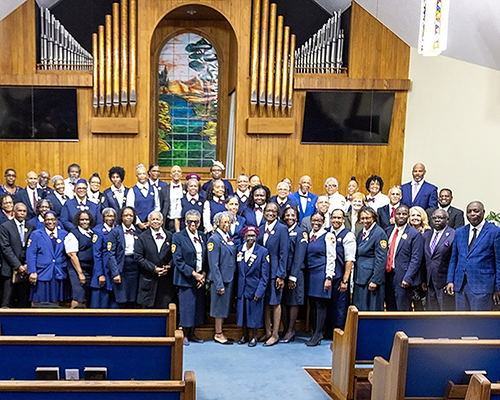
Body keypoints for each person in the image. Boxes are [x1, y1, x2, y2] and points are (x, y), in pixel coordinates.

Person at [446, 201, 500, 311]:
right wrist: (450, 280)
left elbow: (498, 262)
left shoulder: (494, 232)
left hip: (483, 287)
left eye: (476, 211)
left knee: (479, 323)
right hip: (460, 286)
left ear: (483, 212)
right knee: (462, 323)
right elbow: (454, 258)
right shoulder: (460, 231)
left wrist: (498, 287)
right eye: (469, 211)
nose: (472, 214)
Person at [172, 210, 207, 345]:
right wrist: (194, 274)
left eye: (196, 221)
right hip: (185, 278)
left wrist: (203, 275)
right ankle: (185, 334)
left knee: (197, 308)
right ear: (185, 222)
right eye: (190, 221)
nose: (193, 224)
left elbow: (206, 258)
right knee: (186, 308)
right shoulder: (178, 237)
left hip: (199, 278)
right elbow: (178, 260)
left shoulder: (203, 236)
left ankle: (193, 333)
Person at [257, 202, 289, 347]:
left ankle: (275, 334)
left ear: (278, 214)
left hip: (275, 272)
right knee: (265, 303)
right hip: (262, 272)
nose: (270, 213)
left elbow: (284, 253)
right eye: (268, 210)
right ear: (264, 213)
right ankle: (267, 331)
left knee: (275, 303)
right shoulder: (261, 229)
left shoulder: (282, 229)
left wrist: (281, 275)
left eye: (274, 211)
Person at [305, 211, 336, 346]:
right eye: (314, 220)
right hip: (310, 273)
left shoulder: (328, 236)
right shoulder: (310, 235)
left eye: (319, 220)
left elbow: (331, 256)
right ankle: (313, 331)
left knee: (320, 304)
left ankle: (319, 333)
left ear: (323, 222)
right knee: (312, 303)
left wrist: (328, 276)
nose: (316, 223)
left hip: (321, 273)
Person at [384, 205, 424, 311]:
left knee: (402, 308)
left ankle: (403, 328)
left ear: (408, 216)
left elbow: (416, 258)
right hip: (388, 275)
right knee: (389, 307)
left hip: (403, 277)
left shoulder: (414, 234)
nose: (401, 216)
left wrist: (408, 278)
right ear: (394, 215)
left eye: (404, 214)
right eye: (398, 214)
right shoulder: (388, 231)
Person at [26, 211, 69, 305]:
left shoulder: (64, 234)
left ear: (56, 220)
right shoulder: (36, 234)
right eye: (47, 220)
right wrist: (32, 271)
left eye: (52, 219)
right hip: (42, 273)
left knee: (56, 302)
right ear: (44, 222)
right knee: (38, 302)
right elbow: (31, 254)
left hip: (58, 272)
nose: (50, 222)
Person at [236, 226, 269, 347]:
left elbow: (265, 275)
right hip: (241, 288)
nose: (251, 238)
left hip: (254, 288)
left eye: (253, 236)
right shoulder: (239, 249)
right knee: (242, 314)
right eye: (248, 236)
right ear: (244, 237)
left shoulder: (262, 251)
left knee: (254, 315)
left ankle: (254, 337)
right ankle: (244, 335)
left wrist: (259, 292)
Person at [134, 211, 174, 309]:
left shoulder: (170, 236)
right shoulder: (142, 237)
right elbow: (138, 257)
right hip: (148, 279)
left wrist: (169, 266)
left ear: (162, 221)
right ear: (149, 221)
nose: (155, 221)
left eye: (157, 219)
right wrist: (154, 268)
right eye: (153, 219)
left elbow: (175, 255)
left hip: (166, 282)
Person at [207, 211, 237, 345]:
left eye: (229, 222)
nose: (227, 224)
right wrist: (219, 284)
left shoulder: (227, 237)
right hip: (220, 280)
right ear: (217, 223)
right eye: (224, 222)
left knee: (224, 307)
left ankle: (221, 331)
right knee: (218, 308)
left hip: (229, 278)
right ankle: (218, 333)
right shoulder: (214, 239)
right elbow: (213, 264)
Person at [280, 206, 307, 343]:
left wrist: (293, 276)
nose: (290, 217)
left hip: (295, 274)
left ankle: (291, 330)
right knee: (284, 302)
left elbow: (299, 256)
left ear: (297, 217)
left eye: (293, 215)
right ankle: (285, 329)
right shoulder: (283, 230)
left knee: (293, 302)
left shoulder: (301, 232)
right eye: (287, 215)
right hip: (283, 273)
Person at [353, 206, 388, 311]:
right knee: (359, 308)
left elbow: (381, 259)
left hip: (371, 279)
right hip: (360, 277)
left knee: (371, 309)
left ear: (374, 218)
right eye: (362, 218)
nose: (365, 221)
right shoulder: (362, 232)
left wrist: (375, 280)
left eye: (368, 218)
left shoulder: (379, 233)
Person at [0, 203, 35, 308]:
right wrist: (18, 265)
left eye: (24, 211)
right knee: (7, 301)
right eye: (20, 211)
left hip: (25, 270)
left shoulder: (31, 227)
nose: (22, 213)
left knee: (23, 302)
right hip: (10, 270)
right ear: (14, 212)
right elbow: (6, 248)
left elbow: (31, 247)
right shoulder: (5, 227)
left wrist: (26, 264)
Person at [328, 209, 356, 330]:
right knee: (330, 305)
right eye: (334, 218)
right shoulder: (328, 233)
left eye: (339, 218)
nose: (336, 220)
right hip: (329, 276)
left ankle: (339, 331)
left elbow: (349, 259)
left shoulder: (348, 235)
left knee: (340, 306)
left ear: (343, 219)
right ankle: (329, 330)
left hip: (340, 277)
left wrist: (345, 280)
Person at [107, 206, 140, 308]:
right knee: (121, 299)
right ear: (121, 217)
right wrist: (115, 273)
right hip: (121, 266)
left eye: (131, 215)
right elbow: (111, 254)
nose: (128, 218)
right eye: (126, 215)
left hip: (134, 267)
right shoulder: (115, 232)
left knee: (132, 299)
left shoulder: (138, 231)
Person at [423, 209, 455, 311]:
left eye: (440, 218)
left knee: (445, 314)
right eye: (434, 218)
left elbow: (454, 259)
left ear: (447, 220)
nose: (437, 220)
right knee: (431, 313)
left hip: (444, 282)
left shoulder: (454, 235)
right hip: (429, 281)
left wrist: (451, 280)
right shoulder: (426, 235)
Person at [64, 210, 95, 308]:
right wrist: (80, 273)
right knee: (78, 297)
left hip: (89, 269)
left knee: (86, 297)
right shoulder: (73, 234)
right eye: (82, 220)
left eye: (86, 219)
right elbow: (72, 255)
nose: (84, 222)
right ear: (78, 221)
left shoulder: (92, 233)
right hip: (77, 270)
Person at [91, 207, 117, 309]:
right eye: (107, 216)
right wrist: (100, 274)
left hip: (113, 268)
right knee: (100, 303)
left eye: (112, 216)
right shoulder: (98, 231)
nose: (110, 218)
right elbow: (97, 254)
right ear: (103, 217)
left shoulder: (117, 229)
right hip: (103, 268)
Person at [126, 164, 160, 231]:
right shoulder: (132, 191)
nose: (142, 176)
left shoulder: (154, 189)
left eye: (144, 174)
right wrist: (138, 222)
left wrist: (151, 221)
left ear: (147, 175)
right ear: (136, 176)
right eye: (139, 174)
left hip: (152, 226)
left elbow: (157, 207)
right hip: (137, 226)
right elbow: (130, 209)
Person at [159, 165, 184, 232]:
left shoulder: (186, 188)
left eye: (178, 171)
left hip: (183, 221)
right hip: (169, 221)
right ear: (170, 174)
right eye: (174, 171)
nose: (176, 173)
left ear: (181, 174)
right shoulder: (164, 190)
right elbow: (161, 207)